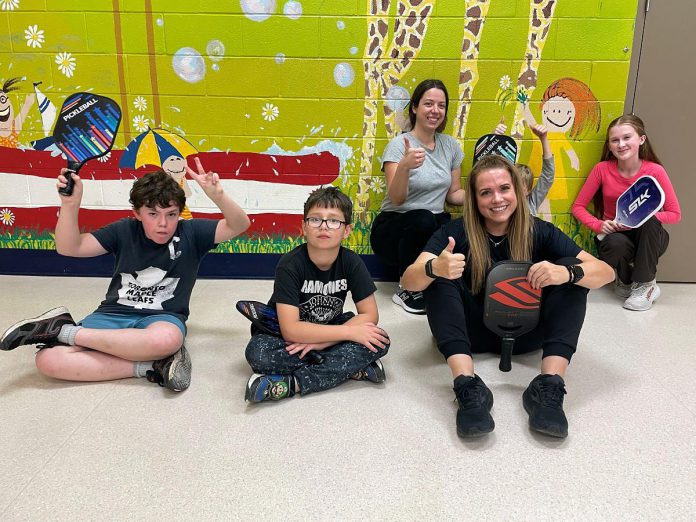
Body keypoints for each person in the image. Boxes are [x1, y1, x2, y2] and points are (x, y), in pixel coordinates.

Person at [401, 155, 614, 439]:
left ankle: (549, 386)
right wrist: (433, 268)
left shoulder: (540, 231)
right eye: (485, 192)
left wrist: (566, 273)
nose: (496, 199)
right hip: (470, 334)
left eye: (504, 188)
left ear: (518, 190)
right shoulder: (455, 231)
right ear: (474, 199)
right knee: (438, 274)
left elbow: (606, 272)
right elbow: (408, 280)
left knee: (573, 271)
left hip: (529, 332)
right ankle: (467, 386)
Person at [0, 158, 250, 391]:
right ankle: (152, 367)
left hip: (162, 318)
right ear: (137, 213)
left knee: (167, 340)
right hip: (112, 314)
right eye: (153, 214)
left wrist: (218, 195)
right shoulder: (124, 230)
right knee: (48, 360)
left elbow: (240, 224)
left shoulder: (192, 233)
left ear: (179, 214)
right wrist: (70, 204)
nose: (163, 223)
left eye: (171, 214)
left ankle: (61, 330)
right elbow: (70, 247)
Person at [245, 186, 390, 403]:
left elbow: (370, 314)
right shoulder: (290, 265)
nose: (324, 226)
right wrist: (346, 335)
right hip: (286, 335)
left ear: (346, 230)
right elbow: (291, 329)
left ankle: (290, 384)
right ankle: (350, 368)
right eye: (315, 219)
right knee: (258, 353)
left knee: (380, 339)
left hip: (329, 328)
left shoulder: (352, 262)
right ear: (304, 227)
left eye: (333, 221)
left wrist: (320, 342)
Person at [370, 79, 465, 314]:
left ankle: (438, 281)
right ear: (414, 107)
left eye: (441, 105)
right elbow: (397, 198)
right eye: (428, 104)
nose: (435, 111)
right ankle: (407, 287)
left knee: (456, 226)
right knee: (422, 218)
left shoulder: (450, 146)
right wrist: (404, 166)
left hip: (432, 224)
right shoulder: (398, 145)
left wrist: (486, 194)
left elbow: (454, 195)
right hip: (394, 231)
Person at [572, 114, 681, 311]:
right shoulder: (602, 169)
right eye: (615, 140)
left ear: (641, 140)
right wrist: (599, 225)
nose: (621, 144)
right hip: (615, 237)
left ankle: (645, 285)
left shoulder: (655, 171)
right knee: (614, 243)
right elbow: (578, 207)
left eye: (627, 137)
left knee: (649, 220)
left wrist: (641, 218)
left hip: (650, 237)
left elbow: (675, 214)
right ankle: (625, 279)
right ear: (610, 145)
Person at [495, 118, 555, 216]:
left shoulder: (531, 202)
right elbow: (487, 171)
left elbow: (548, 176)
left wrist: (543, 138)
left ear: (527, 190)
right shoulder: (499, 203)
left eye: (519, 187)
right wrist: (494, 139)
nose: (514, 191)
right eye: (509, 186)